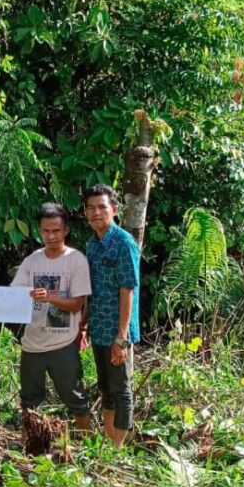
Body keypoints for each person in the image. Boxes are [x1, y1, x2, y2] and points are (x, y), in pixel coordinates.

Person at [11, 203, 92, 431]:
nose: (51, 236)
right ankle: (32, 442)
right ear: (39, 231)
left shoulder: (76, 260)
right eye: (46, 231)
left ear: (66, 230)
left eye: (56, 230)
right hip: (32, 343)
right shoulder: (32, 261)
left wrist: (50, 297)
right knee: (29, 400)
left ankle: (87, 442)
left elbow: (77, 304)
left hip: (63, 343)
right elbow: (14, 294)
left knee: (75, 397)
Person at [83, 183, 140, 448]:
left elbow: (127, 290)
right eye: (91, 208)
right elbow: (90, 290)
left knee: (121, 389)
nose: (96, 213)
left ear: (114, 209)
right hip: (98, 327)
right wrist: (84, 325)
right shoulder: (92, 244)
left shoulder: (123, 242)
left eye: (102, 207)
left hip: (118, 330)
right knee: (105, 387)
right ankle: (108, 441)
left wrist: (122, 338)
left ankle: (118, 448)